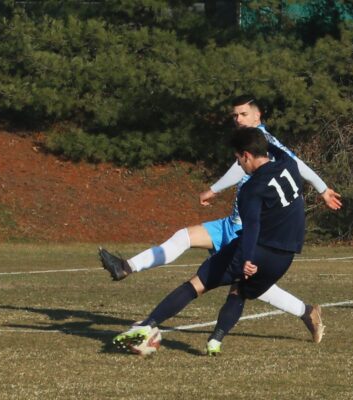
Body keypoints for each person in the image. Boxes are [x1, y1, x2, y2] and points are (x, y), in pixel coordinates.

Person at [99, 95, 339, 343]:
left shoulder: (264, 142)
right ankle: (126, 268)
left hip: (246, 232)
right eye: (235, 115)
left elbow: (294, 164)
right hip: (230, 223)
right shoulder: (247, 142)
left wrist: (322, 189)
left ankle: (306, 312)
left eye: (243, 114)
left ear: (258, 116)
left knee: (246, 286)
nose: (238, 119)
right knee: (185, 238)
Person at [113, 127, 309, 355]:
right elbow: (281, 151)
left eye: (238, 159)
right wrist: (264, 140)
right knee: (240, 291)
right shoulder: (289, 165)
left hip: (257, 251)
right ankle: (216, 340)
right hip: (284, 258)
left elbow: (252, 227)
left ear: (246, 155)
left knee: (197, 284)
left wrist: (246, 258)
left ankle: (148, 325)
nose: (239, 165)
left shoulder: (251, 189)